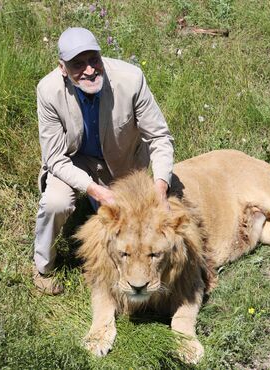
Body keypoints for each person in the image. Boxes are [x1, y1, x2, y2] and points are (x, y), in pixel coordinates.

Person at [33, 27, 174, 294]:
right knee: (55, 203)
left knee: (160, 210)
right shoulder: (48, 91)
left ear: (101, 56)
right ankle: (43, 267)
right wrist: (94, 190)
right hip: (74, 162)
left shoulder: (131, 79)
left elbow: (159, 137)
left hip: (123, 162)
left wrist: (160, 187)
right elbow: (54, 158)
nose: (89, 70)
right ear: (63, 68)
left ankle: (150, 267)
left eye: (93, 60)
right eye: (78, 64)